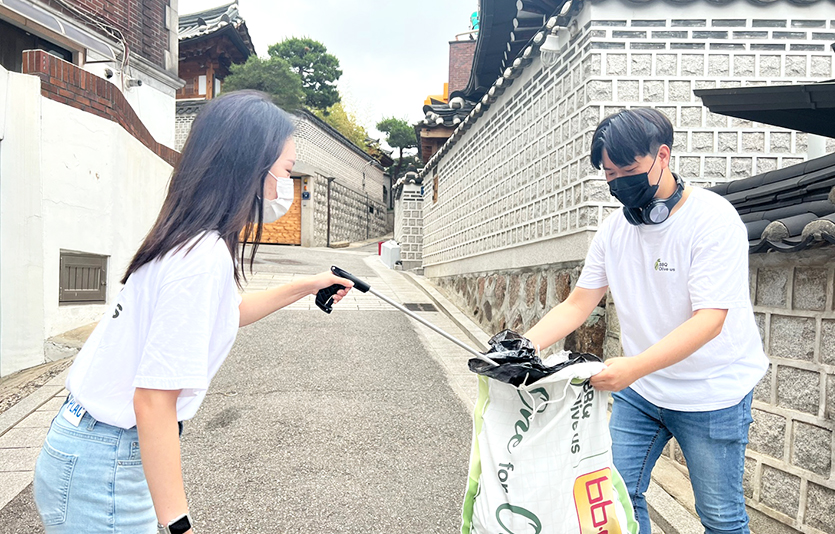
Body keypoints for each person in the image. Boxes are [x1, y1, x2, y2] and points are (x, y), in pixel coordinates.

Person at [33, 90, 353, 534]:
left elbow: (225, 314)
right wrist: (180, 525)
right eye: (284, 170)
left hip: (95, 449)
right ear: (249, 169)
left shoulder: (191, 239)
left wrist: (308, 283)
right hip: (105, 465)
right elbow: (152, 401)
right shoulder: (201, 256)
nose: (286, 186)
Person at [524, 108, 767, 534]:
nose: (619, 183)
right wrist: (521, 347)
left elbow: (710, 320)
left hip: (712, 394)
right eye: (609, 174)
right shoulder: (613, 231)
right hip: (642, 391)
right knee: (614, 495)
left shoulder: (712, 219)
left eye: (629, 169)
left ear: (663, 156)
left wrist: (632, 367)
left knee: (720, 517)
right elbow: (577, 305)